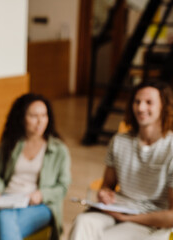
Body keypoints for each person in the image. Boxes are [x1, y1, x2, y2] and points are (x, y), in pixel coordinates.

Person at [69, 80, 173, 240]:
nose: (141, 108)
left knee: (109, 237)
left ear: (163, 107)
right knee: (83, 222)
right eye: (137, 102)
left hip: (150, 220)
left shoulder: (170, 147)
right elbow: (107, 185)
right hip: (118, 208)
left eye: (149, 102)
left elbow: (171, 216)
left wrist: (127, 218)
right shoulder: (119, 141)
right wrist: (105, 194)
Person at [0, 93, 71, 240]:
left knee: (0, 229)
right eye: (33, 116)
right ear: (21, 118)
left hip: (41, 206)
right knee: (5, 217)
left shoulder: (59, 149)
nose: (40, 122)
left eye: (44, 116)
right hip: (7, 200)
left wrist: (42, 194)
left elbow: (63, 187)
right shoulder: (10, 144)